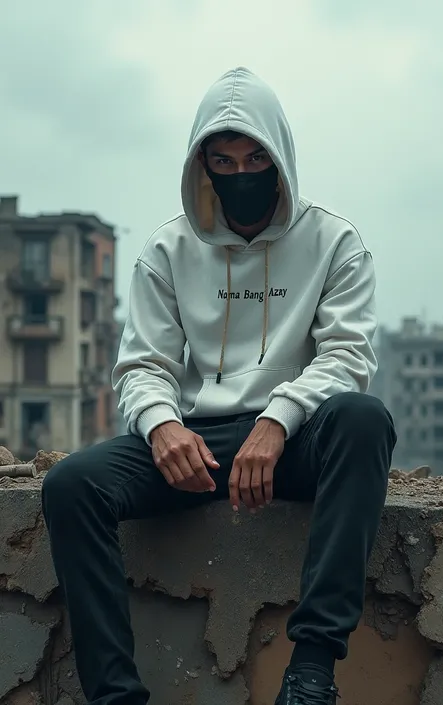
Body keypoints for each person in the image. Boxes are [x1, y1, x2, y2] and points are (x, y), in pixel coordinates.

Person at [42, 66, 396, 705]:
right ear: (202, 163)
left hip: (296, 439)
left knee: (363, 419)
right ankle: (115, 697)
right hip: (202, 443)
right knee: (71, 485)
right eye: (224, 159)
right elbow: (144, 365)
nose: (242, 173)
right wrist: (163, 425)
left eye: (256, 156)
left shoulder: (335, 242)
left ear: (281, 156)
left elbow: (348, 358)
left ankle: (311, 672)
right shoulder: (168, 251)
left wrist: (278, 418)